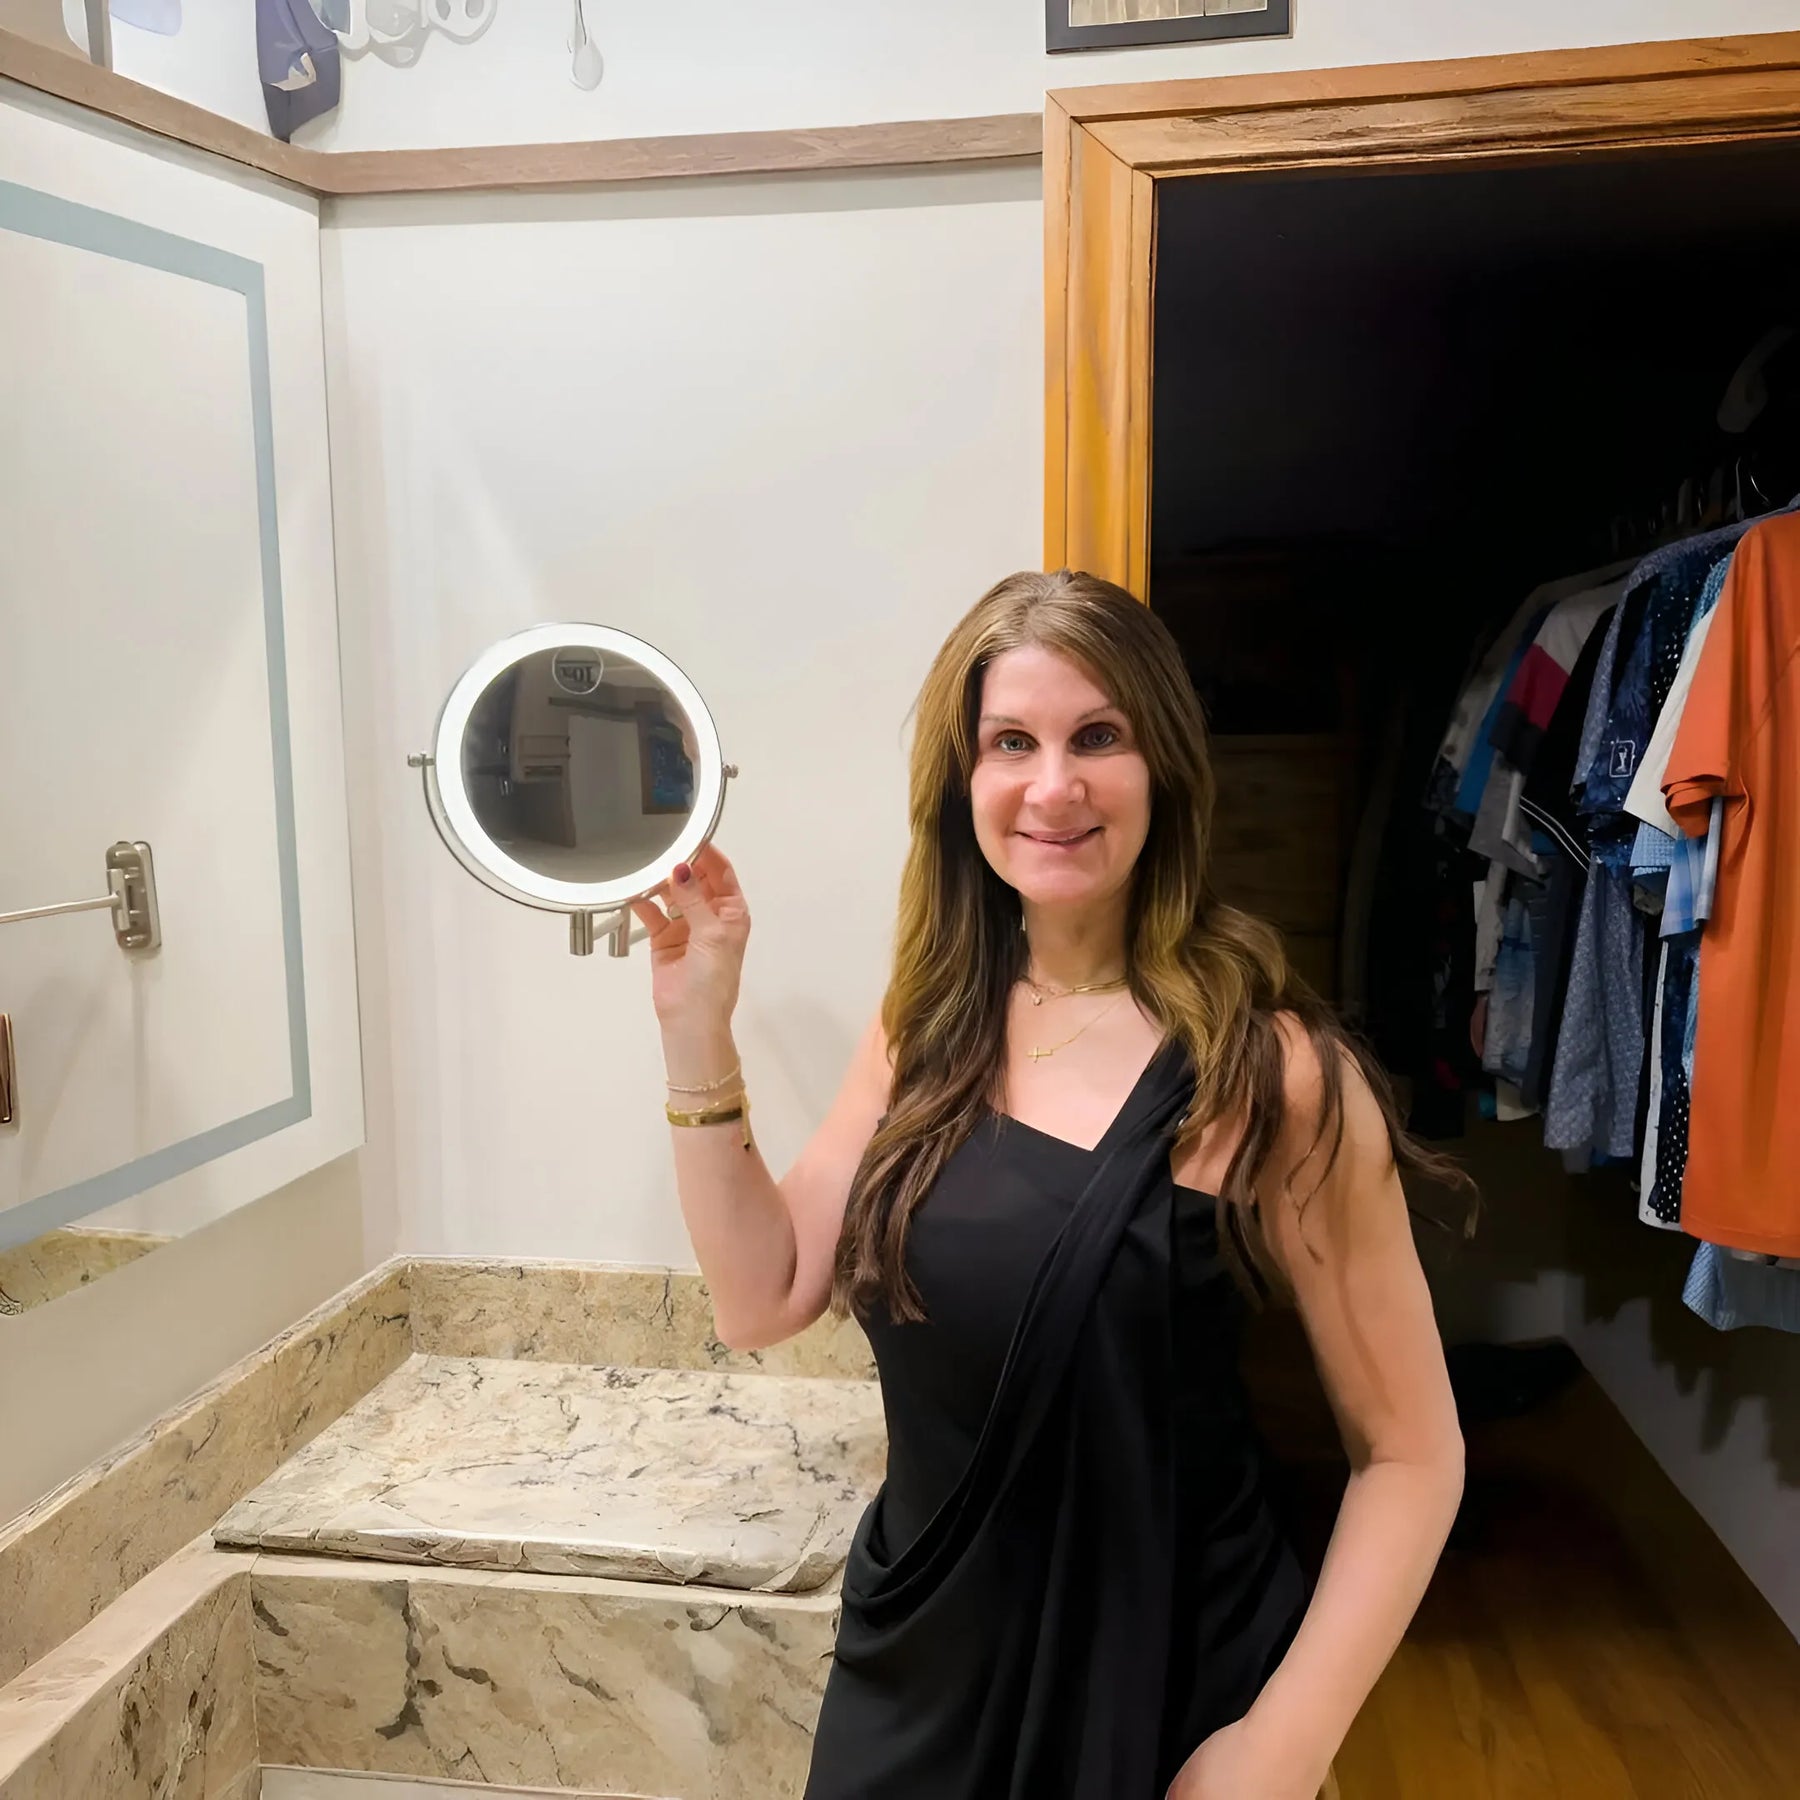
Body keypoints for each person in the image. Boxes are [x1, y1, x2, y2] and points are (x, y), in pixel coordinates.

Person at [632, 570, 1467, 1800]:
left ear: (1163, 765)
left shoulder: (1276, 1073)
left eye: (1099, 737)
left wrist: (1279, 1750)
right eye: (1012, 743)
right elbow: (763, 1295)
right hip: (920, 1672)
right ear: (962, 782)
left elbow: (1411, 1455)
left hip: (1168, 1683)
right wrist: (696, 1023)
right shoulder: (923, 1029)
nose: (1054, 785)